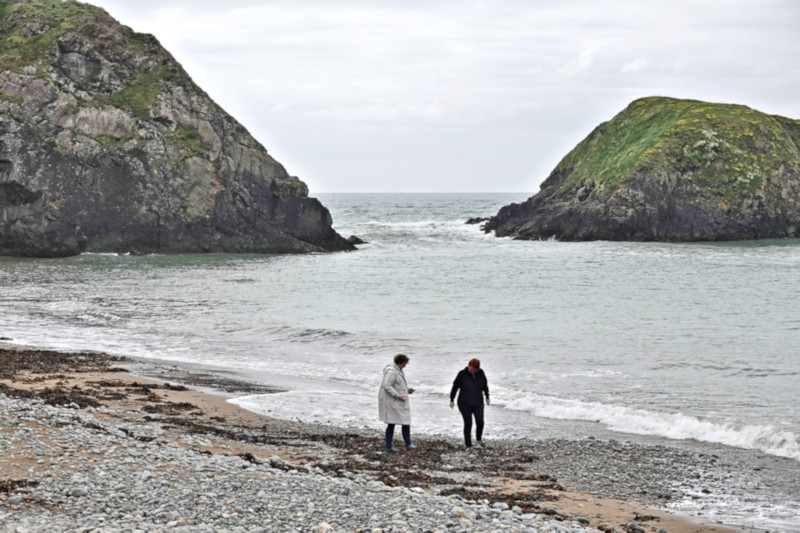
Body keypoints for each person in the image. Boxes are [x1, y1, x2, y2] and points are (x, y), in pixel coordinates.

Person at [378, 354, 417, 452]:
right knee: (399, 423)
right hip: (393, 402)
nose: (405, 366)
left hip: (397, 401)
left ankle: (397, 445)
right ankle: (404, 445)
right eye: (405, 363)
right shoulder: (391, 371)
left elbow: (397, 386)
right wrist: (398, 395)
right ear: (400, 362)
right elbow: (386, 385)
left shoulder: (398, 371)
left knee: (401, 422)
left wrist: (408, 390)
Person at [449, 358, 490, 449]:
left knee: (480, 422)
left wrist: (487, 396)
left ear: (477, 368)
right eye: (470, 369)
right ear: (468, 366)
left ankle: (479, 439)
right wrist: (452, 399)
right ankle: (468, 445)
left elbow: (485, 385)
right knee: (468, 423)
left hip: (478, 402)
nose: (471, 371)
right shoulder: (462, 374)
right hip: (464, 403)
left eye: (474, 370)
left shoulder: (481, 373)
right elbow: (455, 387)